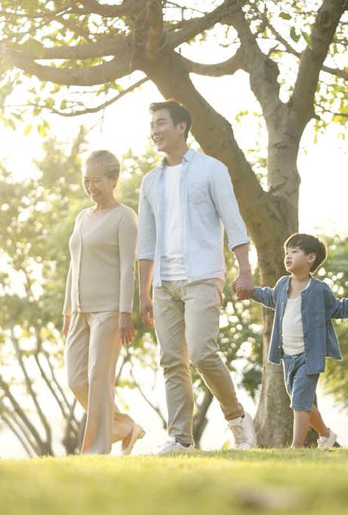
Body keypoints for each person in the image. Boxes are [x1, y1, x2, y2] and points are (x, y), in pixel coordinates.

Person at [137, 99, 256, 454]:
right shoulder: (150, 181)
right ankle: (181, 438)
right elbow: (146, 240)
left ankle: (237, 420)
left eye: (161, 123)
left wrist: (244, 268)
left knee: (203, 353)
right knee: (172, 361)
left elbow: (233, 220)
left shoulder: (211, 169)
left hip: (203, 275)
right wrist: (143, 292)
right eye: (152, 124)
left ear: (181, 127)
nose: (155, 131)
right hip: (164, 284)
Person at [242, 233, 348, 449]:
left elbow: (338, 309)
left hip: (309, 356)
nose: (288, 256)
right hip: (287, 356)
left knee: (299, 401)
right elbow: (268, 296)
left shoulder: (319, 290)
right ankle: (326, 435)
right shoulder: (282, 285)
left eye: (294, 252)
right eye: (286, 252)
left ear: (310, 258)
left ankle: (295, 447)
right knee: (303, 402)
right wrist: (250, 291)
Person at [63, 150, 145, 455]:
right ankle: (124, 427)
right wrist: (67, 310)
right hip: (80, 310)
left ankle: (95, 450)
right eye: (86, 180)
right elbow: (74, 264)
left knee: (99, 378)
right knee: (75, 379)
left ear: (113, 179)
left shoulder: (125, 217)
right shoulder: (82, 217)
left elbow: (128, 268)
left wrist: (126, 311)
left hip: (110, 310)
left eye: (96, 180)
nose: (90, 187)